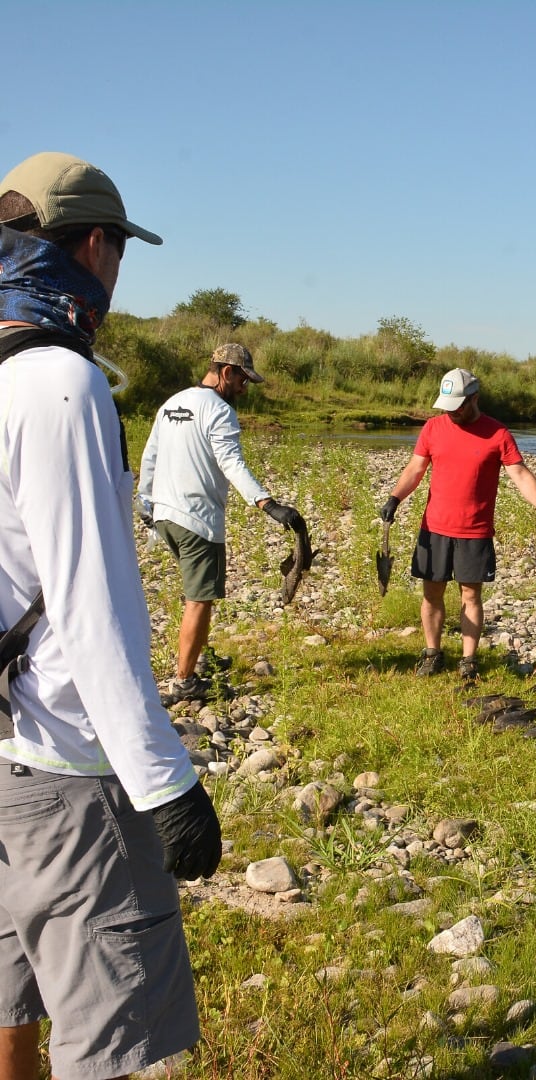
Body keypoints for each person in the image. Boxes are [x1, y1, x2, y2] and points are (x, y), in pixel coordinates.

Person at [0, 152, 221, 1079]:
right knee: (113, 1040)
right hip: (68, 766)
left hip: (4, 747)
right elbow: (91, 604)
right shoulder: (63, 382)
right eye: (121, 250)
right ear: (95, 246)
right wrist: (166, 783)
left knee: (10, 995)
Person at [138, 343, 305, 701]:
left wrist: (145, 502)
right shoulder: (218, 410)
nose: (245, 389)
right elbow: (231, 463)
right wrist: (268, 504)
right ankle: (185, 682)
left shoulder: (172, 403)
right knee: (199, 600)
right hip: (197, 520)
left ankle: (197, 660)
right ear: (226, 372)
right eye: (244, 380)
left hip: (165, 516)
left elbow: (150, 454)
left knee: (194, 595)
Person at [380, 368, 536, 681]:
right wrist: (395, 498)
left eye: (458, 406)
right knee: (431, 594)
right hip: (434, 528)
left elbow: (519, 474)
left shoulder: (497, 433)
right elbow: (415, 468)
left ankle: (468, 662)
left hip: (474, 532)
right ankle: (432, 654)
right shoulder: (433, 428)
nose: (452, 413)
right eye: (447, 407)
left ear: (474, 398)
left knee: (471, 597)